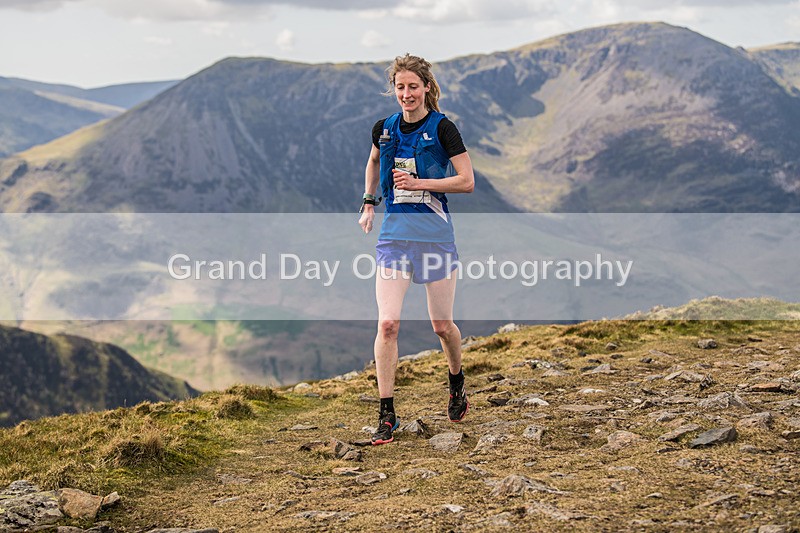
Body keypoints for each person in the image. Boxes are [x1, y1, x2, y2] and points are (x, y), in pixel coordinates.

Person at [358, 53, 475, 445]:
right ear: (393, 89)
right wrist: (369, 202)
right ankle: (386, 414)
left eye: (413, 86)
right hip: (394, 237)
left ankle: (456, 380)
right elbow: (374, 162)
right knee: (387, 323)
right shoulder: (384, 128)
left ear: (426, 87)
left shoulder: (444, 129)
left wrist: (421, 184)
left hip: (436, 237)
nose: (406, 93)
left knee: (442, 326)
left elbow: (466, 181)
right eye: (400, 87)